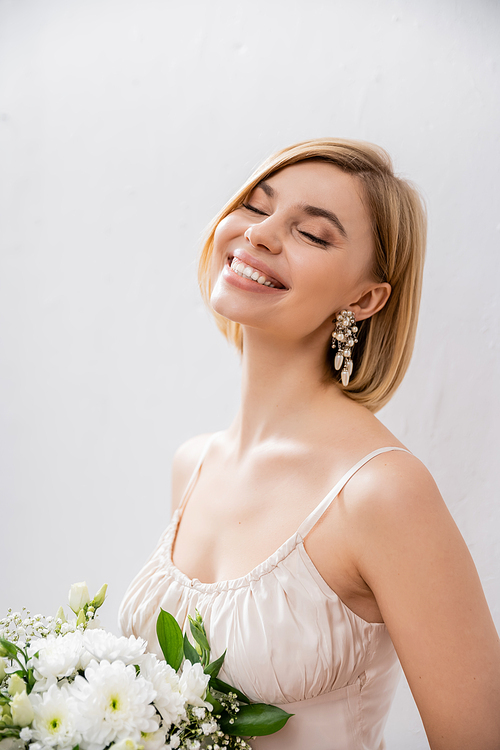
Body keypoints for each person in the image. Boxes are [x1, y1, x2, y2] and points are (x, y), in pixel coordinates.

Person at [119, 138, 500, 750]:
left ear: (365, 297)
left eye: (314, 235)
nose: (262, 235)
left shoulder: (382, 491)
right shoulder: (192, 465)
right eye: (255, 205)